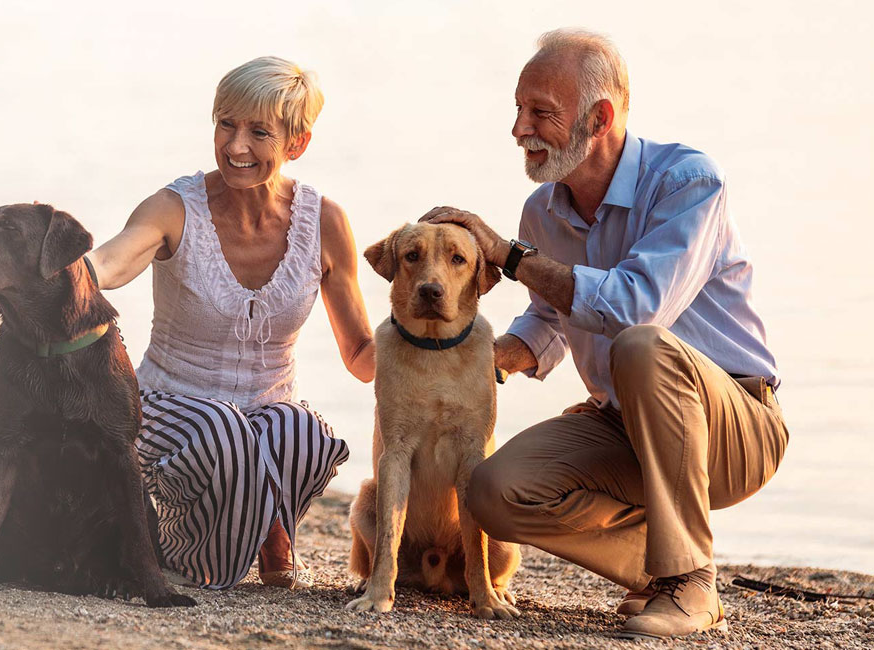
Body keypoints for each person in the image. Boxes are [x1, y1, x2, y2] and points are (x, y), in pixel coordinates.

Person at [428, 28, 785, 639]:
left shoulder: (689, 181)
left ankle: (690, 579)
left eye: (540, 112)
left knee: (641, 346)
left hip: (736, 427)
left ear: (600, 118)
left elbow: (636, 309)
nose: (519, 128)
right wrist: (479, 358)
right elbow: (549, 319)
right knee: (492, 492)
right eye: (518, 109)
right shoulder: (543, 209)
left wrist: (510, 257)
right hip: (623, 424)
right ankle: (664, 564)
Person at [85, 56, 374, 589]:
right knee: (224, 430)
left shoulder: (325, 221)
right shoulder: (175, 207)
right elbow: (114, 260)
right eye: (226, 124)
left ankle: (262, 528)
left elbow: (362, 357)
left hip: (259, 422)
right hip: (165, 409)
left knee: (304, 433)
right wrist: (73, 271)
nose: (236, 145)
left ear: (297, 143)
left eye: (259, 132)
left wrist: (445, 338)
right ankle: (182, 544)